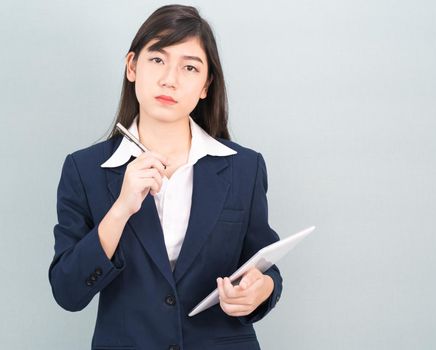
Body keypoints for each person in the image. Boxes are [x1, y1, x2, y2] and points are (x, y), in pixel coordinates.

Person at [48, 4, 282, 350]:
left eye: (189, 67)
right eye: (157, 59)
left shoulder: (244, 168)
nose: (169, 79)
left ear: (205, 85)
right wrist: (121, 208)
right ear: (132, 66)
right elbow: (68, 291)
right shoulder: (84, 170)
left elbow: (264, 264)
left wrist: (263, 288)